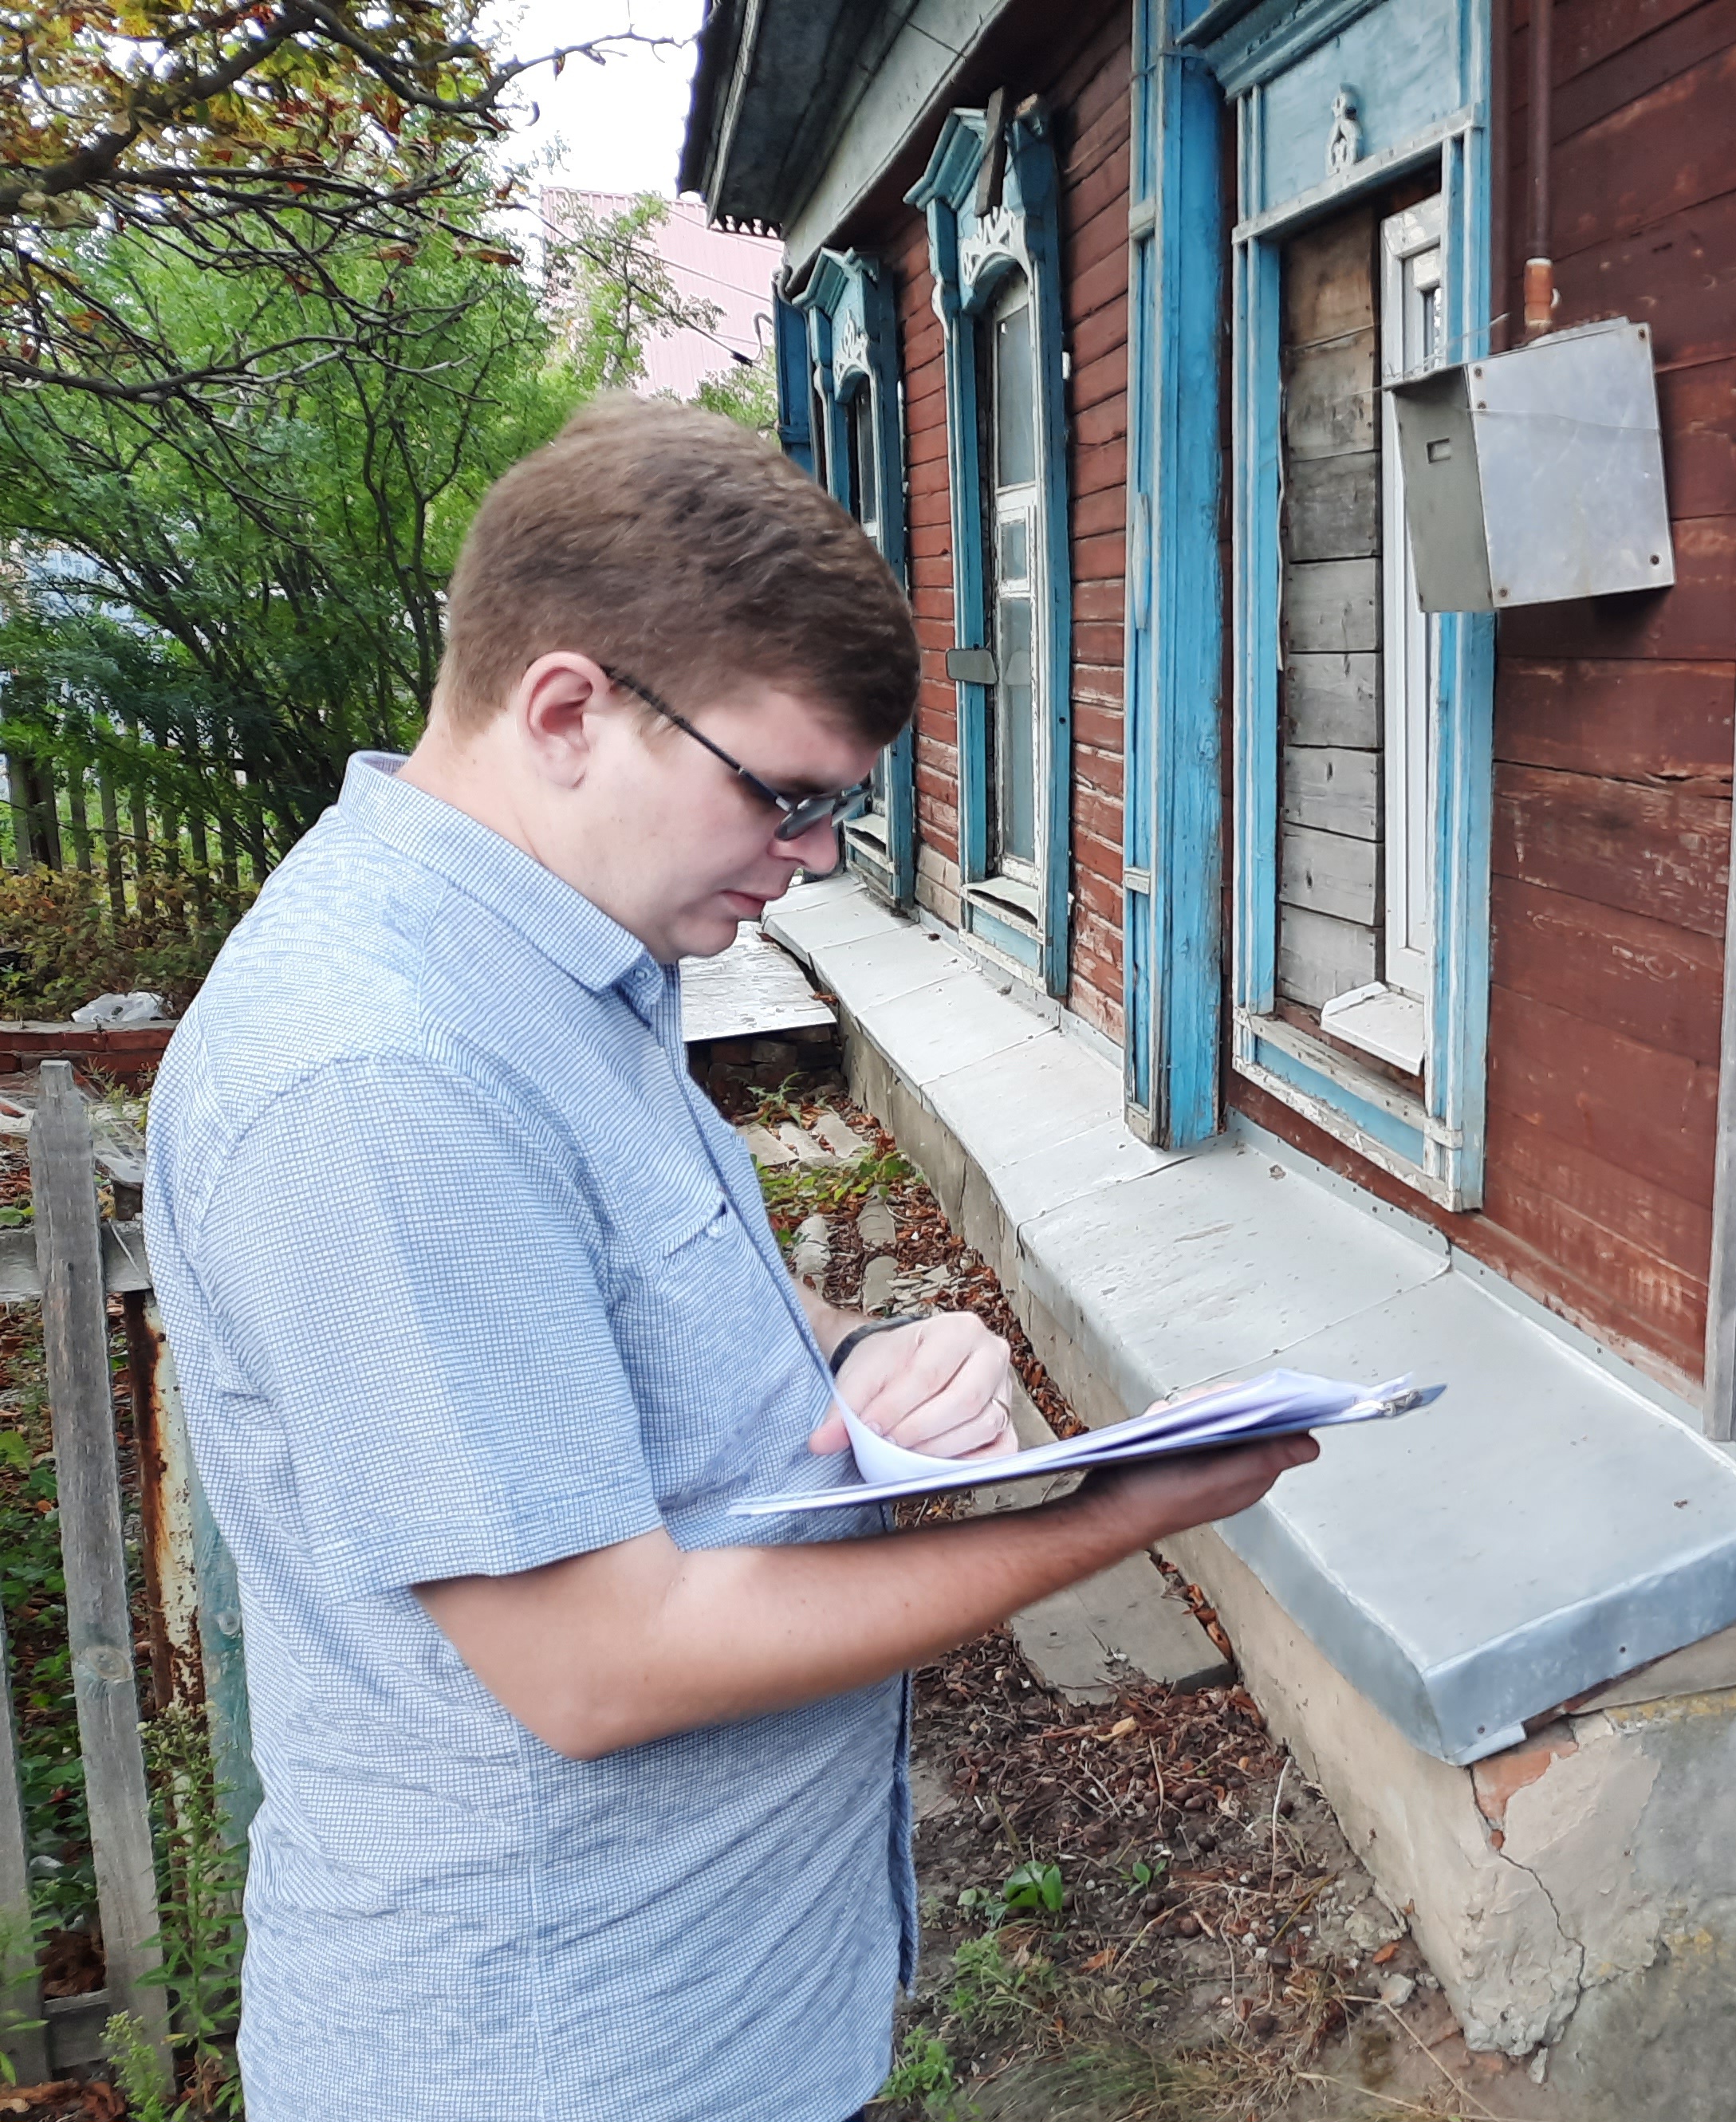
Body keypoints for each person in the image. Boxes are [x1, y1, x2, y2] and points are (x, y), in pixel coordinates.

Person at [142, 397, 1317, 2122]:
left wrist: (860, 1353)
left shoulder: (561, 955)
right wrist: (1119, 1509)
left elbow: (645, 1299)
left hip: (719, 2008)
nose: (816, 856)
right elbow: (603, 1663)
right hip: (558, 2054)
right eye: (783, 797)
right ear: (567, 711)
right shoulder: (381, 1078)